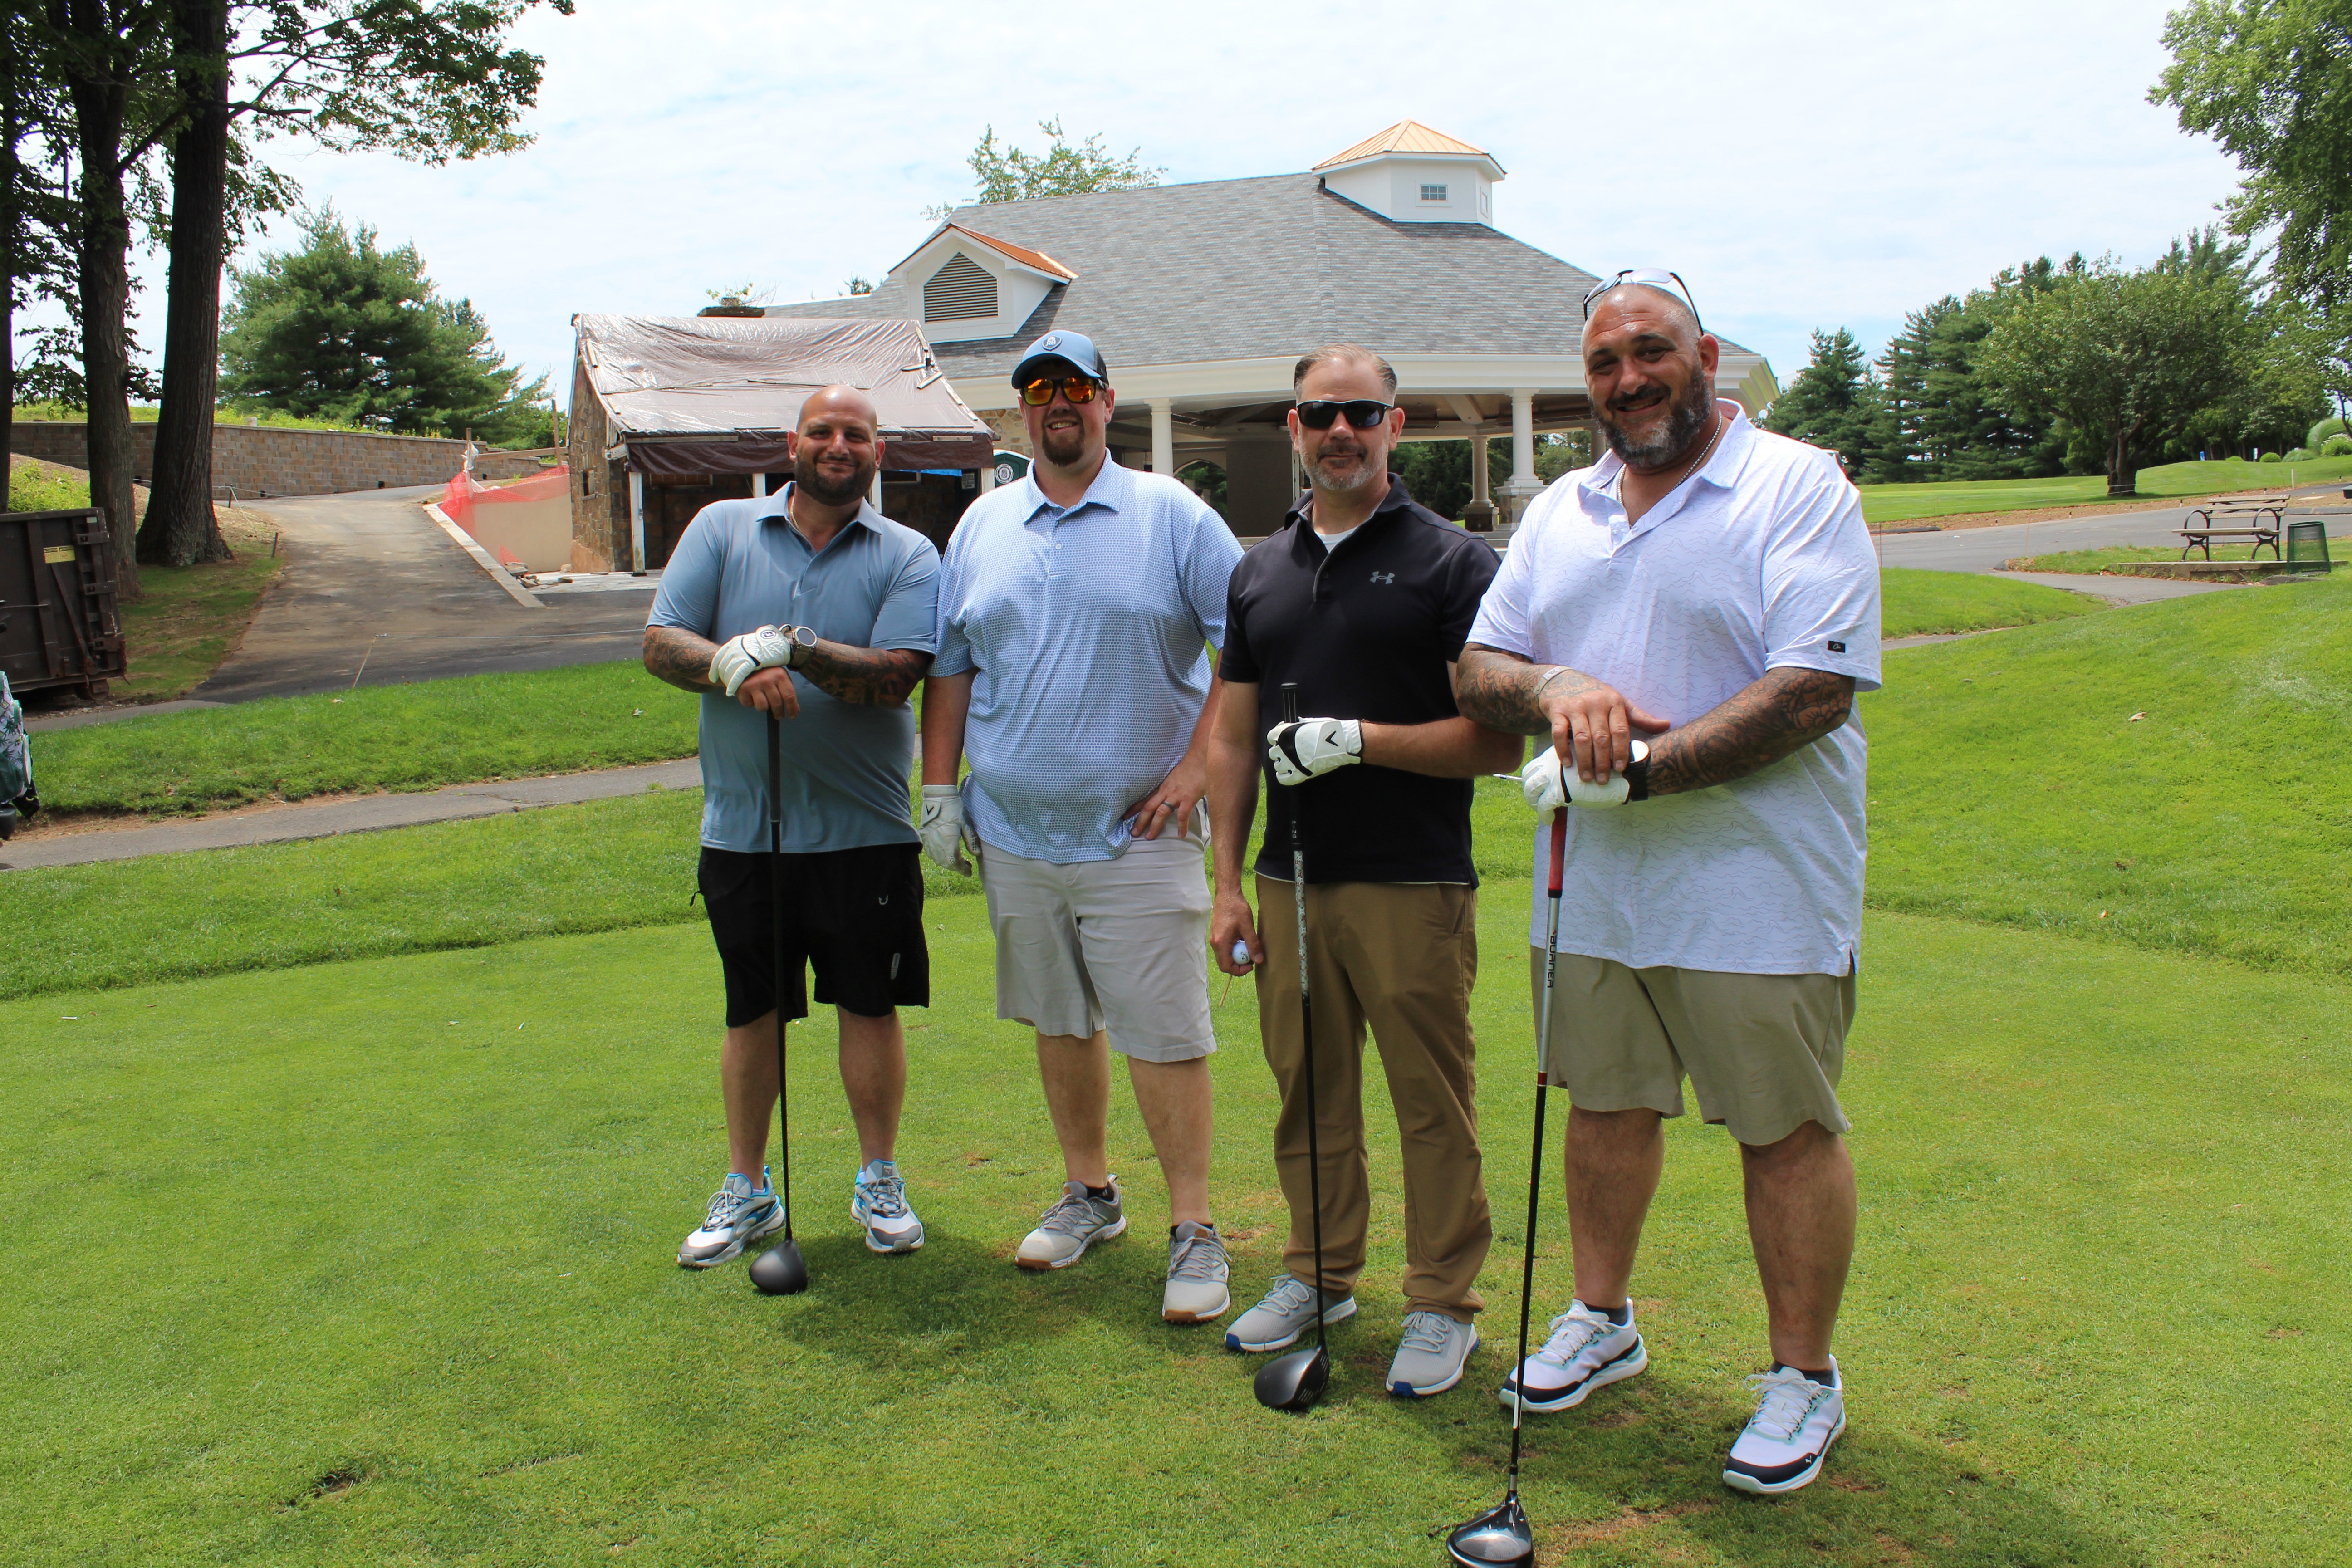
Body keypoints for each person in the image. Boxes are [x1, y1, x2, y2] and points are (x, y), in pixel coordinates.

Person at [1455, 271, 1881, 1494]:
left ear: (1706, 354)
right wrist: (1557, 688)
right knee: (1603, 1104)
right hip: (1595, 889)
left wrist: (1636, 776)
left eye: (1652, 351)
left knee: (1784, 1131)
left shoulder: (1797, 485)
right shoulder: (1563, 509)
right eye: (1605, 362)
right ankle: (1603, 1318)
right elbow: (1479, 667)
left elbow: (1814, 689)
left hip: (1759, 888)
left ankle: (1803, 1378)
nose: (1630, 378)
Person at [1206, 344, 1520, 1398]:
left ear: (1396, 424)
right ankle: (1319, 1272)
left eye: (1361, 412)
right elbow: (1231, 741)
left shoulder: (1452, 563)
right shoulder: (1259, 569)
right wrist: (1225, 885)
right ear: (1293, 427)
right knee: (1309, 1090)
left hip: (1411, 879)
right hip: (1288, 879)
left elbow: (1495, 742)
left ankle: (1443, 1303)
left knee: (1430, 1100)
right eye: (1319, 413)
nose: (1339, 430)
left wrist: (1360, 743)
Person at [919, 329, 1241, 1325]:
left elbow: (1248, 646)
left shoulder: (1171, 515)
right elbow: (952, 668)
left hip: (1139, 834)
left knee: (1165, 1034)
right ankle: (1090, 1193)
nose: (1058, 403)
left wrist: (1199, 766)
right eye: (1039, 390)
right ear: (1023, 410)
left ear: (1107, 399)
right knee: (1060, 1020)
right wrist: (939, 791)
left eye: (1076, 386)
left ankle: (1195, 1228)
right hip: (1016, 834)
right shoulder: (982, 524)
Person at [644, 386, 941, 1269]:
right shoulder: (722, 528)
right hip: (745, 831)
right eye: (822, 431)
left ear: (879, 452)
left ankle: (879, 1178)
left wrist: (796, 649)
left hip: (866, 832)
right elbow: (662, 643)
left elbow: (896, 677)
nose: (838, 444)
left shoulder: (908, 552)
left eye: (856, 433)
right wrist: (733, 664)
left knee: (870, 1005)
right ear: (793, 444)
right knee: (754, 1014)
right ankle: (748, 1188)